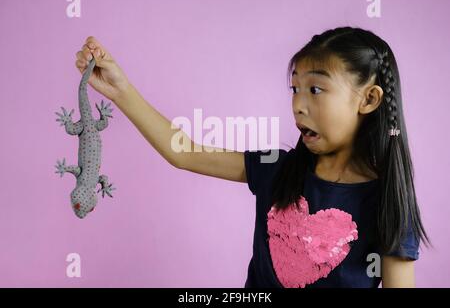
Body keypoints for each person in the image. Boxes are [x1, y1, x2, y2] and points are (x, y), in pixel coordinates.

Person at [75, 26, 431, 288]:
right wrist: (119, 90)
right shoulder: (275, 169)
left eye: (316, 89)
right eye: (295, 88)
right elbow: (181, 151)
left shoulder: (388, 200)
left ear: (368, 100)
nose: (298, 104)